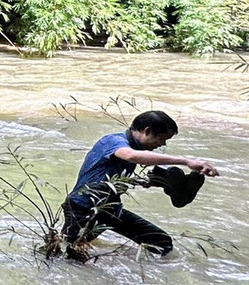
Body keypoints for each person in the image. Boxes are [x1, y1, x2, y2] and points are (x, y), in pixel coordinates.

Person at [62, 110, 220, 257]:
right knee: (67, 253)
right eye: (162, 138)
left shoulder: (131, 145)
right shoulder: (114, 141)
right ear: (147, 131)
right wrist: (186, 161)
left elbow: (114, 177)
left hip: (109, 209)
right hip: (83, 208)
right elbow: (132, 156)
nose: (162, 144)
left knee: (160, 243)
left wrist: (151, 182)